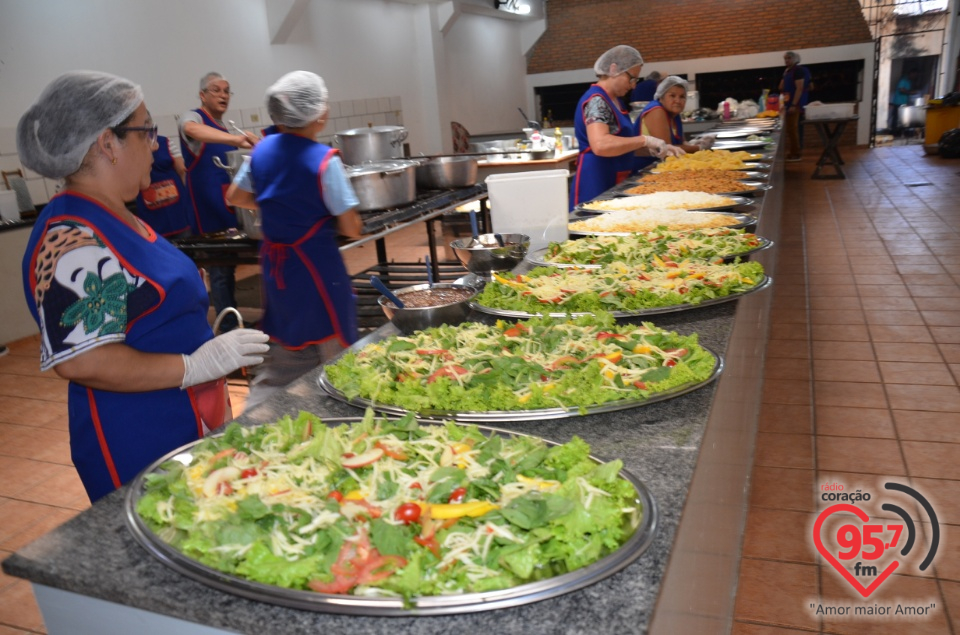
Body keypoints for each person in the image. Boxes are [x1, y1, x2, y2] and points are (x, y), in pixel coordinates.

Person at [17, 71, 270, 503]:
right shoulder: (74, 237)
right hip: (141, 437)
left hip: (185, 420)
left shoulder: (118, 215)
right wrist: (193, 367)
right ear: (107, 143)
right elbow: (85, 361)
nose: (154, 144)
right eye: (145, 130)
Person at [226, 71, 363, 410]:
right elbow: (352, 228)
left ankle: (257, 416)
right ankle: (345, 412)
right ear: (319, 114)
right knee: (337, 353)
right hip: (317, 269)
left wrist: (278, 204)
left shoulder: (261, 152)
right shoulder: (324, 161)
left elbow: (235, 196)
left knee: (283, 350)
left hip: (278, 269)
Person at [179, 72, 259, 331]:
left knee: (228, 267)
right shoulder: (194, 118)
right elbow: (189, 129)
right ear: (203, 95)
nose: (223, 95)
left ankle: (231, 318)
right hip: (207, 210)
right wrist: (235, 140)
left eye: (227, 90)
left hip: (227, 207)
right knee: (220, 270)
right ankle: (226, 327)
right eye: (216, 90)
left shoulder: (226, 127)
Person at [571, 45, 684, 208]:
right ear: (613, 69)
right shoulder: (597, 100)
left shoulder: (616, 102)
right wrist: (644, 140)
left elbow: (621, 143)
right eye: (631, 78)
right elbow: (601, 145)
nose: (633, 86)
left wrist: (653, 148)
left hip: (615, 177)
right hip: (596, 180)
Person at [636, 76, 715, 172]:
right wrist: (699, 147)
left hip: (661, 168)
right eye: (672, 96)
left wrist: (692, 144)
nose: (677, 101)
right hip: (643, 169)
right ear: (661, 97)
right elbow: (667, 150)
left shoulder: (674, 115)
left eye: (682, 97)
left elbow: (681, 143)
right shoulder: (657, 110)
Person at [134, 134, 194, 238]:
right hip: (151, 206)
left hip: (176, 205)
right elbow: (181, 170)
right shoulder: (165, 142)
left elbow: (182, 170)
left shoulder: (165, 142)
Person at [779, 51, 811, 162]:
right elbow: (782, 86)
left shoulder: (798, 71)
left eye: (789, 58)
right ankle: (793, 152)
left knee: (793, 129)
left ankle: (796, 153)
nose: (786, 60)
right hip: (788, 103)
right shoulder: (787, 71)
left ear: (795, 59)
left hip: (795, 104)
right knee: (790, 129)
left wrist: (793, 104)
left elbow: (799, 88)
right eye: (785, 58)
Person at [890, 68, 919, 136]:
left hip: (904, 103)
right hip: (898, 102)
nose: (915, 77)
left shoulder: (909, 81)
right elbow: (901, 90)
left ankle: (899, 133)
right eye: (914, 75)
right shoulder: (903, 80)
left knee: (902, 119)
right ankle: (893, 133)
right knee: (896, 119)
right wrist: (910, 92)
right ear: (911, 73)